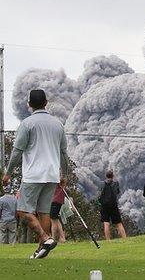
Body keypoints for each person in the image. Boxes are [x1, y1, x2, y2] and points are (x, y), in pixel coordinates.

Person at [2, 89, 69, 259]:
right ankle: (42, 250)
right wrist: (64, 174)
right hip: (52, 174)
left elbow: (17, 151)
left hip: (33, 175)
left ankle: (45, 239)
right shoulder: (58, 124)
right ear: (46, 102)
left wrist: (8, 173)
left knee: (23, 211)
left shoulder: (27, 124)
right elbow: (63, 153)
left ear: (29, 104)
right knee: (44, 212)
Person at [98, 170, 127, 240]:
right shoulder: (116, 183)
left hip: (105, 206)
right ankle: (125, 238)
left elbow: (100, 194)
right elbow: (117, 192)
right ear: (113, 176)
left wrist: (100, 201)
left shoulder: (103, 184)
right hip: (114, 205)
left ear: (106, 176)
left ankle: (108, 240)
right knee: (119, 223)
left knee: (106, 223)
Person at [49, 178, 67, 243]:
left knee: (53, 220)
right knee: (56, 220)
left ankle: (54, 238)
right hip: (59, 201)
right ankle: (62, 237)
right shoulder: (61, 185)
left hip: (54, 201)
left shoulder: (57, 183)